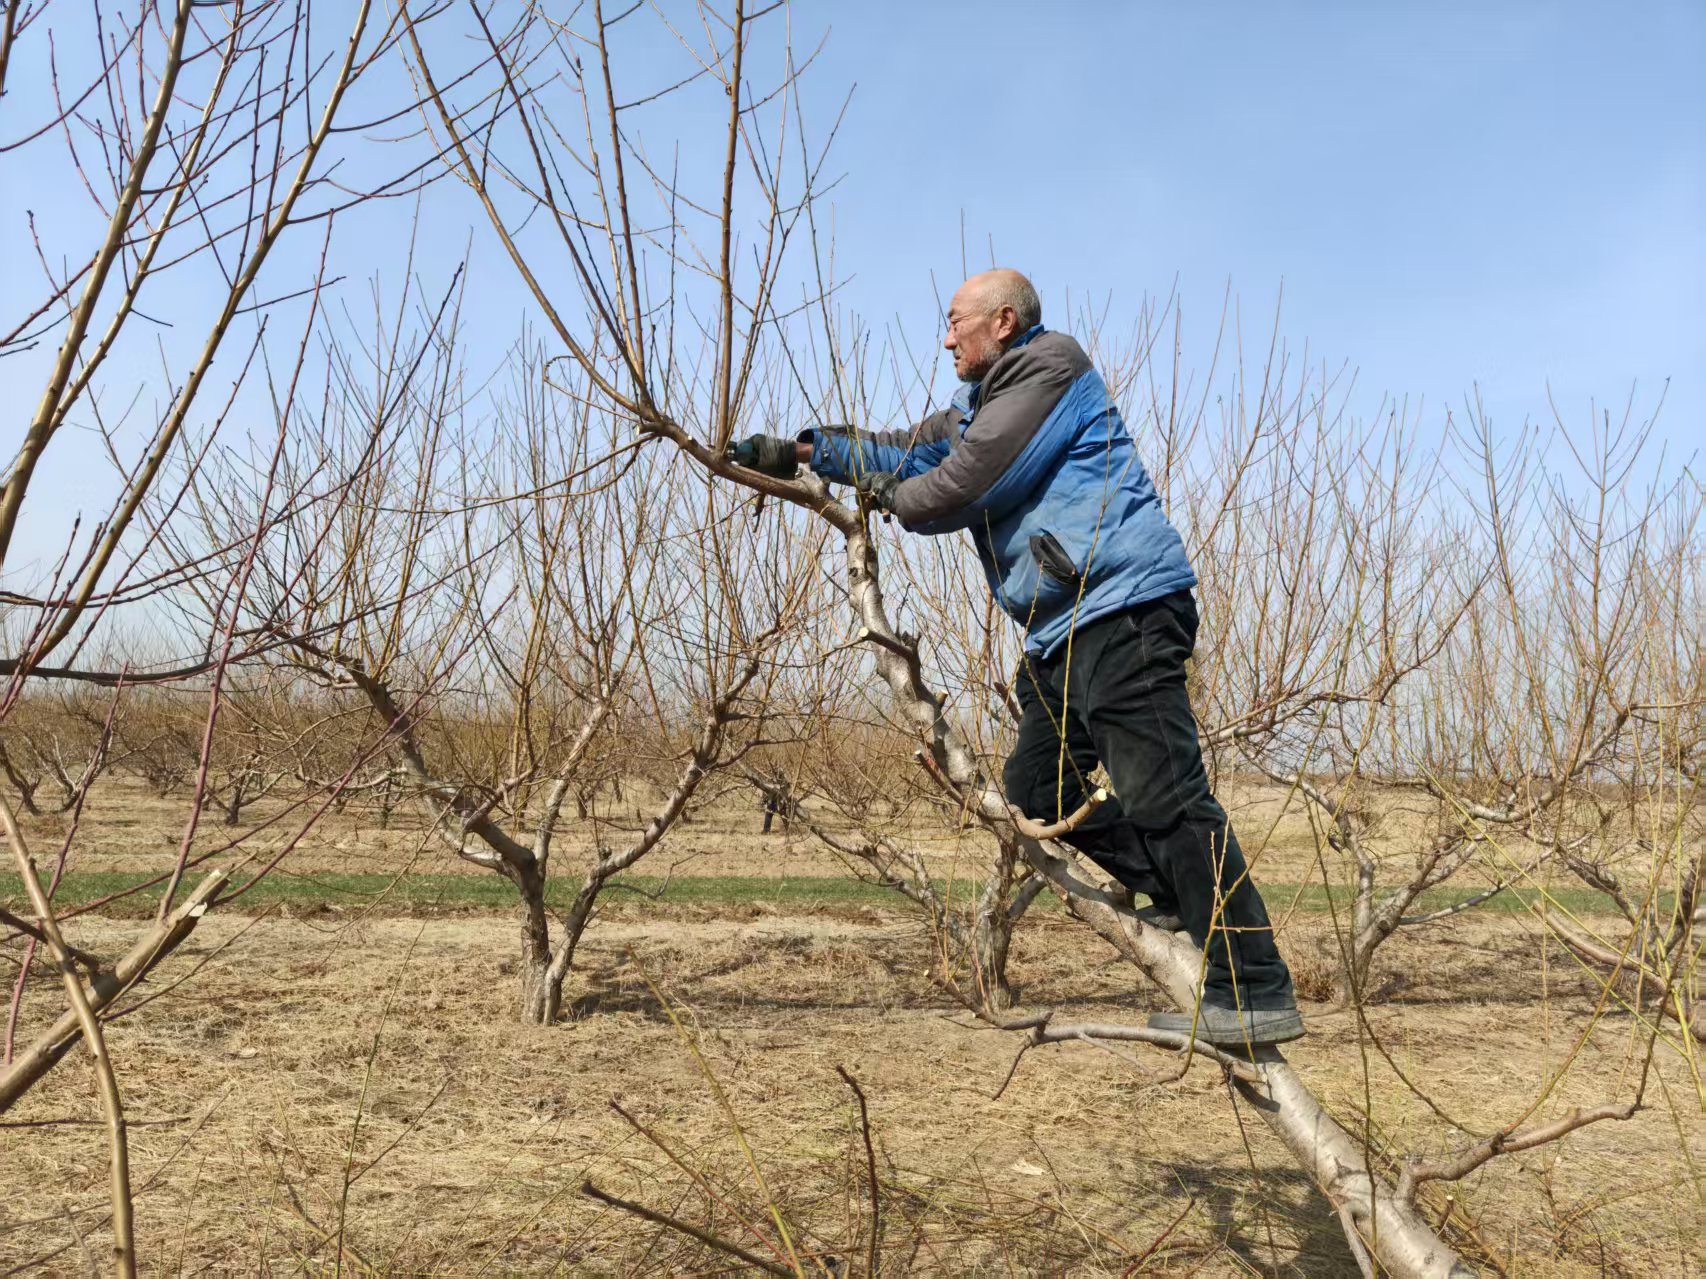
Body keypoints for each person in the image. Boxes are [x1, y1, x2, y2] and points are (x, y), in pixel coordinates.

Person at [726, 269, 1301, 1046]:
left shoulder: (1048, 373)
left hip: (1123, 607)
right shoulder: (977, 407)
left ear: (1002, 321)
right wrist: (802, 450)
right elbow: (901, 450)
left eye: (954, 321)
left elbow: (962, 484)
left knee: (1165, 795)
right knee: (1037, 790)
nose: (945, 338)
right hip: (1060, 631)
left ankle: (1254, 985)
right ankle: (1169, 884)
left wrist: (894, 498)